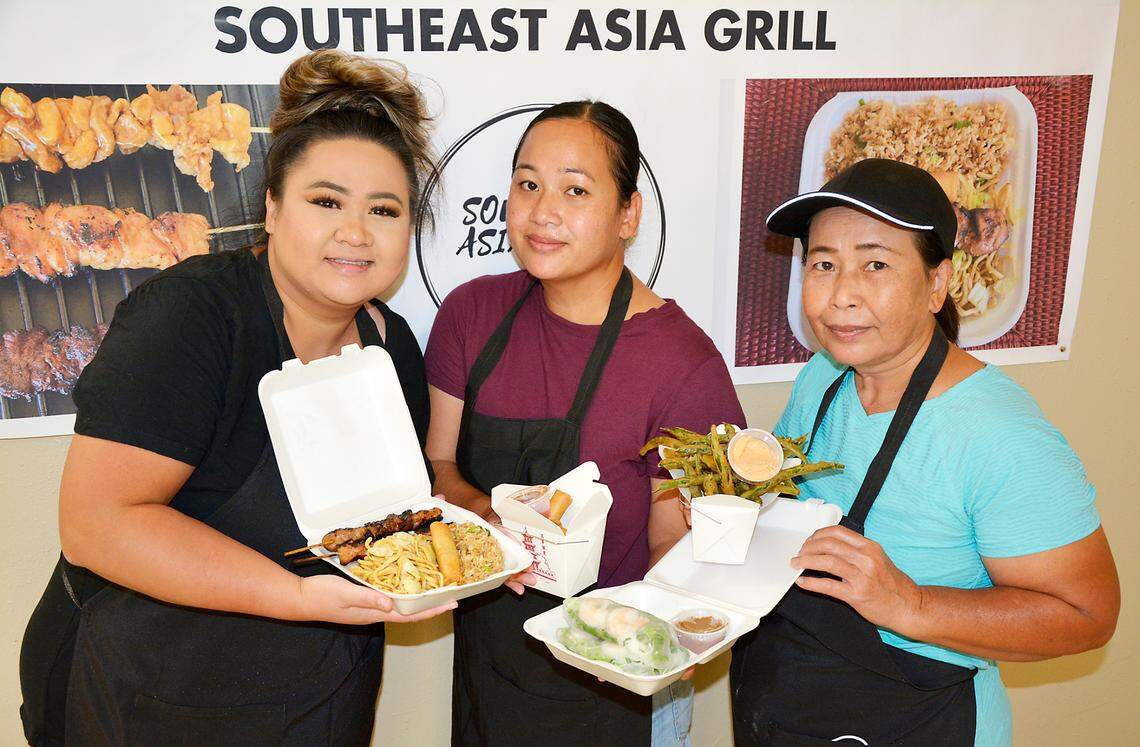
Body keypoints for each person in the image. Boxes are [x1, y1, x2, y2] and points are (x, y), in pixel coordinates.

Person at [18, 49, 454, 745]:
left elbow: (388, 517)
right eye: (326, 201)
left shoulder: (392, 347)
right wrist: (295, 595)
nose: (356, 231)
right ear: (273, 207)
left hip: (319, 691)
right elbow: (96, 523)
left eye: (384, 208)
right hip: (150, 692)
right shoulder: (193, 318)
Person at [729, 158, 1120, 745]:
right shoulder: (824, 376)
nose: (841, 297)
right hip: (797, 706)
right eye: (824, 265)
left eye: (876, 265)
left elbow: (1088, 616)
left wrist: (908, 604)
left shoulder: (996, 434)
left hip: (925, 719)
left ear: (937, 283)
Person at [424, 101, 744, 746]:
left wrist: (625, 630)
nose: (543, 211)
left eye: (575, 190)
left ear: (629, 214)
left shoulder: (683, 365)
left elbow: (675, 550)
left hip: (620, 680)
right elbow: (439, 465)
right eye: (527, 183)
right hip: (490, 665)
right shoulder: (472, 315)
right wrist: (489, 521)